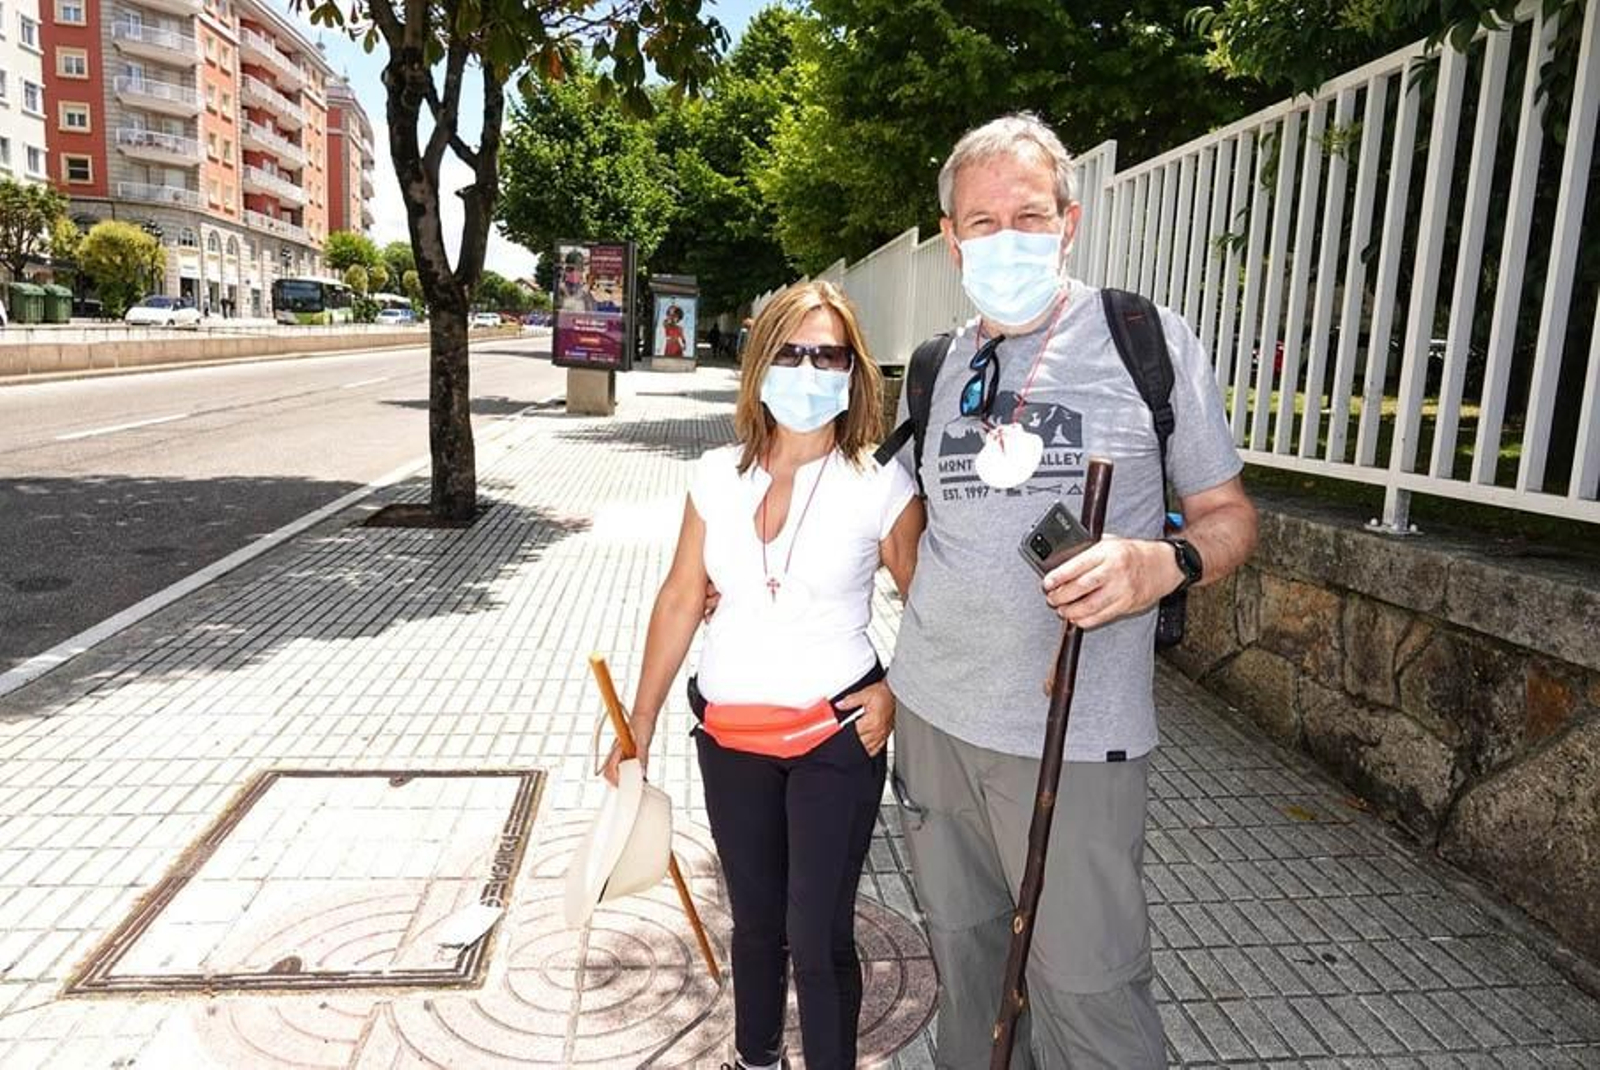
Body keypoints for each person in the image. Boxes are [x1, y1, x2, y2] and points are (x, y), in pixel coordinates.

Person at [885, 113, 1258, 1068]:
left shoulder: (1145, 340)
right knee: (965, 973)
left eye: (1028, 214)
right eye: (981, 221)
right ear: (949, 238)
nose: (1005, 238)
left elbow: (1229, 517)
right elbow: (908, 518)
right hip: (934, 726)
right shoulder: (936, 365)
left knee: (1089, 991)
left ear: (1070, 221)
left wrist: (1158, 564)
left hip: (1077, 739)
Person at [601, 281, 923, 1070]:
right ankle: (755, 1058)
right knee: (753, 923)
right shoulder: (715, 474)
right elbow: (681, 598)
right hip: (730, 733)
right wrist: (636, 726)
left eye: (829, 355)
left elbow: (931, 605)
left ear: (853, 372)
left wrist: (897, 689)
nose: (810, 369)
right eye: (792, 352)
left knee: (816, 934)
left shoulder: (880, 483)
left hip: (836, 738)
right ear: (759, 362)